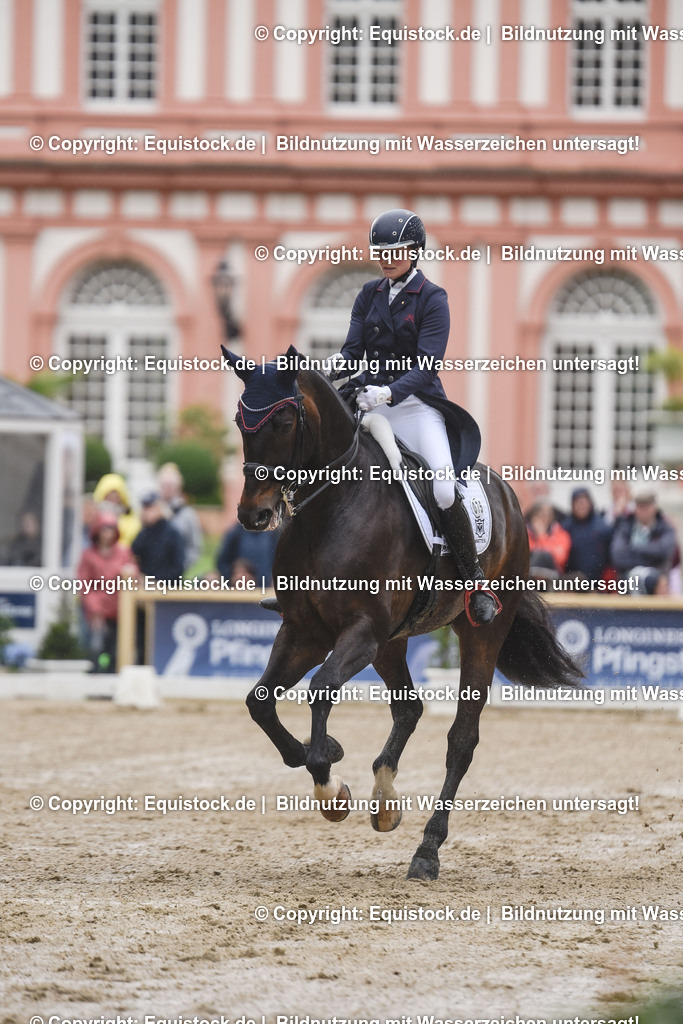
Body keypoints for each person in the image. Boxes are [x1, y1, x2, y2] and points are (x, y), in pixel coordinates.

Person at [334, 208, 499, 626]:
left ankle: (475, 581)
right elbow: (353, 351)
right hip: (371, 404)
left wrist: (388, 391)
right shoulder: (368, 294)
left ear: (415, 251)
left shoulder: (432, 298)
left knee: (444, 490)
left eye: (396, 250)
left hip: (416, 406)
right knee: (323, 468)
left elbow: (426, 365)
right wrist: (330, 367)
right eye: (380, 251)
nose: (386, 258)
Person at [76, 511, 135, 672]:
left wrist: (131, 572)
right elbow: (85, 585)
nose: (107, 534)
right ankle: (96, 687)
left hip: (120, 612)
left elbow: (133, 578)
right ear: (97, 531)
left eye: (110, 529)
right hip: (98, 613)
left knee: (117, 652)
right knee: (97, 651)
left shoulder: (124, 553)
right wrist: (95, 611)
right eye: (104, 529)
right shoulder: (88, 556)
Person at [609, 490, 678, 588]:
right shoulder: (625, 526)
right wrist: (649, 558)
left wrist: (633, 549)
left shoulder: (666, 528)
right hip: (627, 586)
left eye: (647, 507)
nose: (643, 511)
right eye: (640, 507)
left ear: (654, 507)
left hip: (656, 588)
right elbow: (618, 555)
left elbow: (664, 551)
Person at [156, 462, 203, 570]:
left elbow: (195, 545)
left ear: (178, 487)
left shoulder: (188, 514)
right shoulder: (151, 511)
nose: (167, 489)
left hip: (177, 572)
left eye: (170, 485)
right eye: (164, 485)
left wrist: (182, 565)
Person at [131, 492, 185, 582]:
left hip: (167, 589)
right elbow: (133, 555)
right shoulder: (143, 533)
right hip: (145, 588)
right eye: (145, 508)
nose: (147, 511)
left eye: (150, 507)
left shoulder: (172, 533)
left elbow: (178, 567)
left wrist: (157, 580)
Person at [562, 488, 613, 581]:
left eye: (584, 502)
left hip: (598, 584)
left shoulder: (603, 526)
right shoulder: (565, 527)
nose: (581, 506)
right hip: (572, 582)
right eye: (578, 503)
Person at [217, 521, 279, 587]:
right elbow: (222, 563)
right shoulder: (236, 533)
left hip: (266, 588)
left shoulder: (272, 535)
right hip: (240, 589)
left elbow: (279, 562)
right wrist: (234, 577)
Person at [92, 473, 141, 548]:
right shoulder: (93, 518)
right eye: (109, 497)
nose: (112, 501)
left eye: (116, 497)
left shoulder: (131, 519)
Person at [526, 501, 572, 575]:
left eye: (547, 514)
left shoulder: (561, 534)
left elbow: (559, 559)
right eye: (539, 513)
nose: (543, 517)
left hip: (553, 577)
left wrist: (542, 536)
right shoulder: (524, 534)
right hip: (529, 575)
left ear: (552, 517)